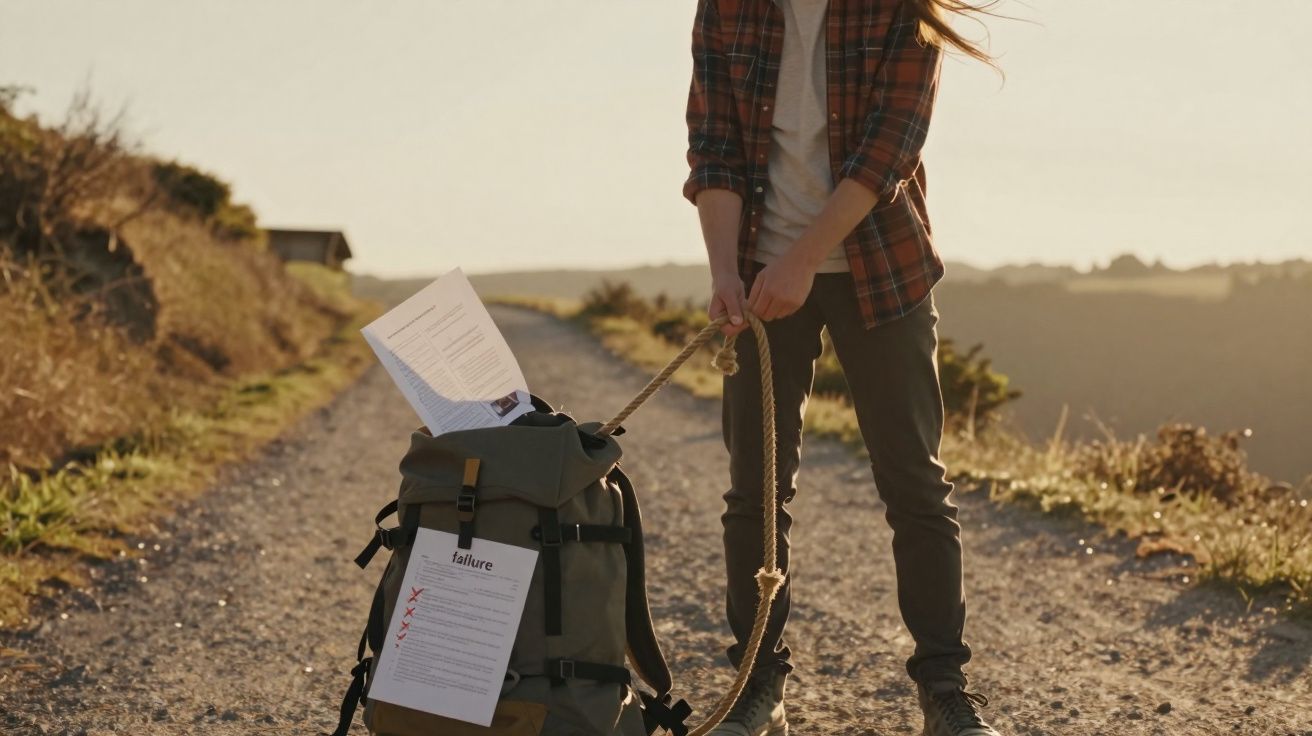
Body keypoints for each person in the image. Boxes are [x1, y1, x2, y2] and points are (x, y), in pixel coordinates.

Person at [683, 0, 1001, 734]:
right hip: (760, 268)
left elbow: (885, 153)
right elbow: (715, 147)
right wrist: (725, 273)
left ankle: (944, 690)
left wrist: (800, 262)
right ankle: (758, 684)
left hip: (880, 267)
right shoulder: (727, 5)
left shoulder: (900, 8)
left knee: (914, 481)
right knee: (754, 490)